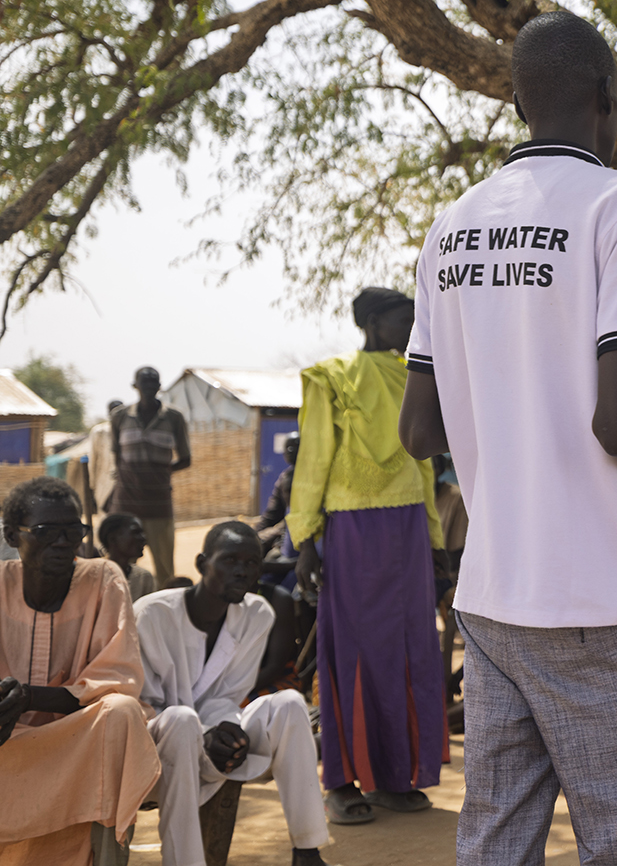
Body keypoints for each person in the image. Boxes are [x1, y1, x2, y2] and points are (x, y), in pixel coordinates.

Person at [397, 11, 617, 866]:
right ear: (608, 99)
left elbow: (418, 429)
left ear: (519, 103)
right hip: (605, 601)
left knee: (496, 847)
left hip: (494, 599)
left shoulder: (449, 227)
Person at [290, 286, 448, 821]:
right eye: (403, 320)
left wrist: (435, 539)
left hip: (408, 529)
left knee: (408, 648)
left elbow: (423, 463)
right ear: (373, 323)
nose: (411, 329)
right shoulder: (332, 377)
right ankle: (341, 781)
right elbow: (313, 457)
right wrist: (305, 540)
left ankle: (394, 776)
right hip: (353, 530)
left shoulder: (417, 375)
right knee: (354, 649)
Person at [135, 522, 330, 864]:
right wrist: (203, 733)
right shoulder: (151, 615)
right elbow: (142, 706)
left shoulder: (257, 614)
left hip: (216, 741)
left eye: (252, 562)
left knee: (289, 703)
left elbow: (229, 696)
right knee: (181, 720)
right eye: (230, 560)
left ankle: (307, 850)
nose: (242, 571)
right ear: (202, 563)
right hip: (156, 747)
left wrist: (226, 733)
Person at [0, 476, 160, 865]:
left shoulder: (104, 578)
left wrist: (29, 697)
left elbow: (117, 680)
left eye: (72, 531)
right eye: (45, 531)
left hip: (77, 743)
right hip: (8, 744)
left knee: (122, 713)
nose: (62, 542)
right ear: (12, 535)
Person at [110, 367, 191, 590]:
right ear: (135, 386)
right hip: (126, 504)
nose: (148, 387)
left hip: (159, 504)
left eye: (152, 383)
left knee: (164, 568)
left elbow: (186, 459)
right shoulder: (120, 417)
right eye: (144, 383)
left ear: (159, 387)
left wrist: (160, 474)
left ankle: (164, 606)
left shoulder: (174, 417)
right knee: (120, 566)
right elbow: (117, 458)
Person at [253, 434, 300, 592]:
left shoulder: (316, 478)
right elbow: (271, 515)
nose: (291, 451)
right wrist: (252, 536)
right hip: (286, 541)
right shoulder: (284, 478)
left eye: (296, 446)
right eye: (288, 448)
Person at [98, 511, 154, 601]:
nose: (143, 538)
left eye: (142, 533)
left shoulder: (143, 578)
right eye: (135, 533)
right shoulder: (95, 576)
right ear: (112, 539)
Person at [86, 398, 124, 519]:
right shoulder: (99, 431)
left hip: (125, 482)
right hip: (104, 482)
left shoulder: (129, 431)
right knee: (105, 517)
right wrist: (91, 487)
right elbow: (92, 460)